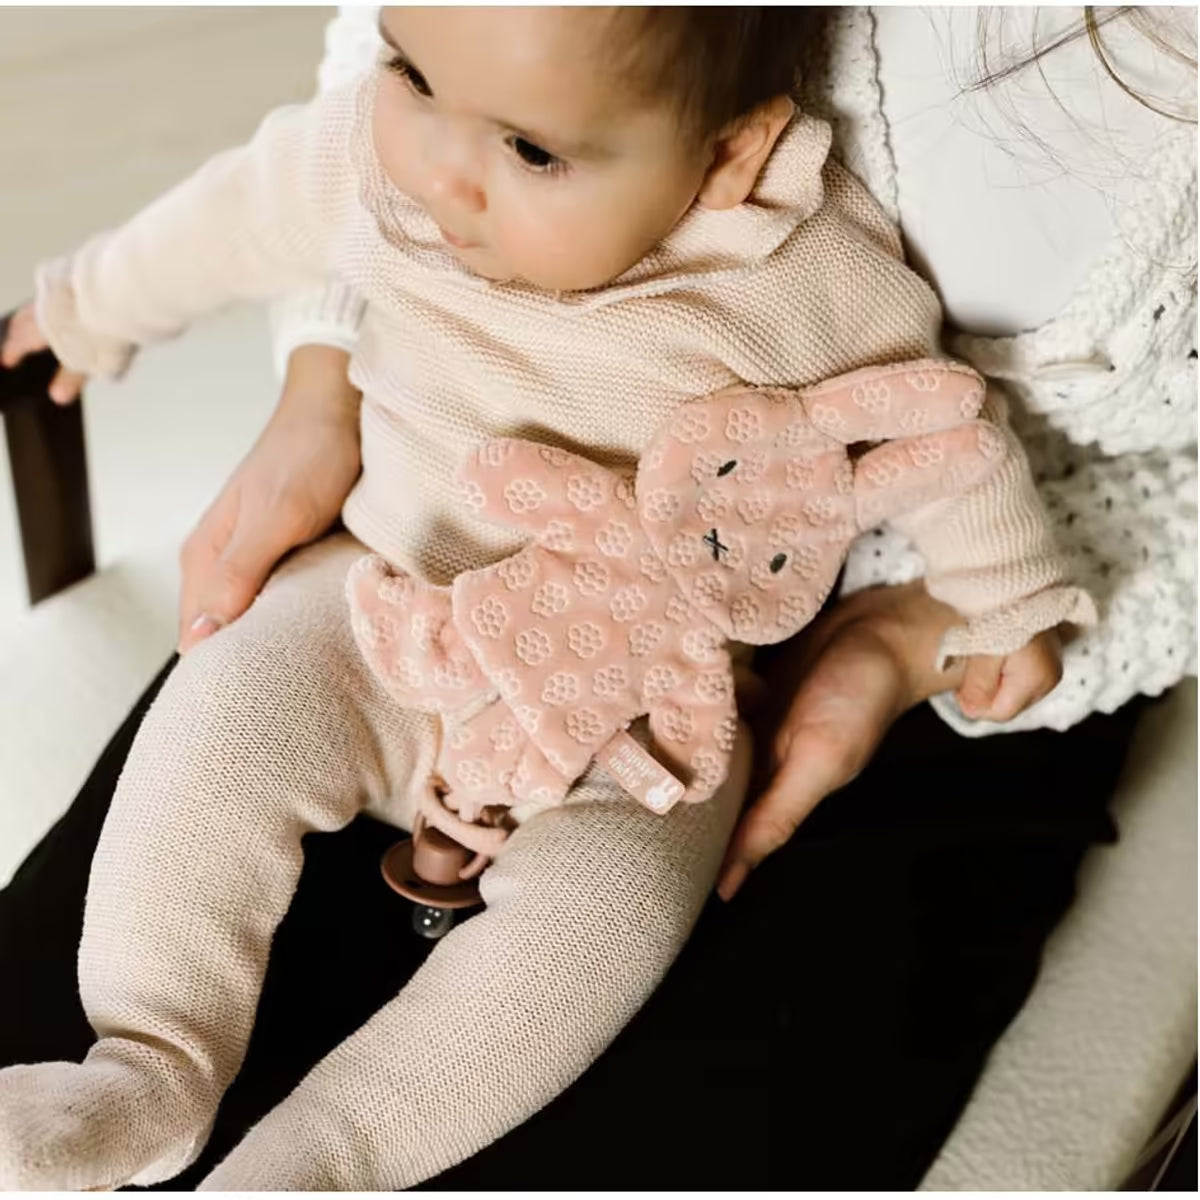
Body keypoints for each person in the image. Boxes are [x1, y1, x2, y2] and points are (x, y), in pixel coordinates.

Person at [0, 5, 1192, 1192]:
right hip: (384, 609)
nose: (441, 172)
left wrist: (1002, 597)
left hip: (644, 719)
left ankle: (324, 1161)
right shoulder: (379, 157)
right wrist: (87, 304)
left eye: (531, 153)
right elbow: (231, 216)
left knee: (605, 928)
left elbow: (938, 429)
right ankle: (149, 1064)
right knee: (224, 719)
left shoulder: (822, 278)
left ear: (729, 156)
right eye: (412, 72)